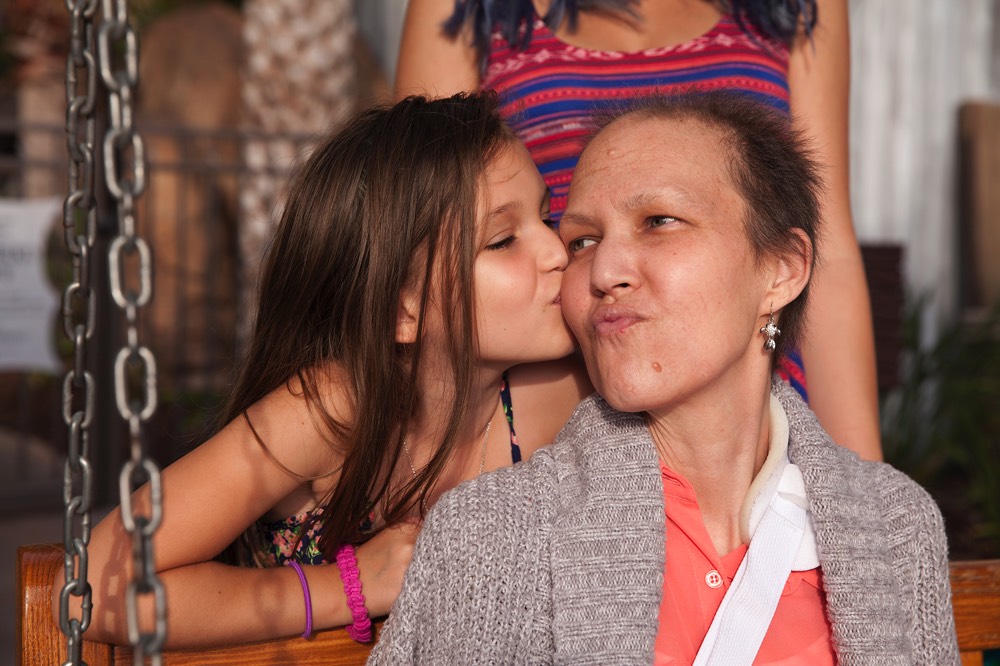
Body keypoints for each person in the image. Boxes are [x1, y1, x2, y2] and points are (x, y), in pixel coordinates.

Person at [367, 93, 958, 664]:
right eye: (583, 240)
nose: (605, 270)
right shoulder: (489, 539)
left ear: (781, 269)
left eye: (659, 221)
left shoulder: (895, 525)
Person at [54, 91, 590, 647]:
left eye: (546, 217)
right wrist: (351, 588)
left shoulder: (563, 391)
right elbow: (94, 587)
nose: (556, 251)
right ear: (400, 310)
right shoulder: (328, 408)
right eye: (503, 241)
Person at [394, 0, 883, 462]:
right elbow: (422, 236)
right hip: (560, 398)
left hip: (750, 400)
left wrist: (862, 479)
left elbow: (827, 247)